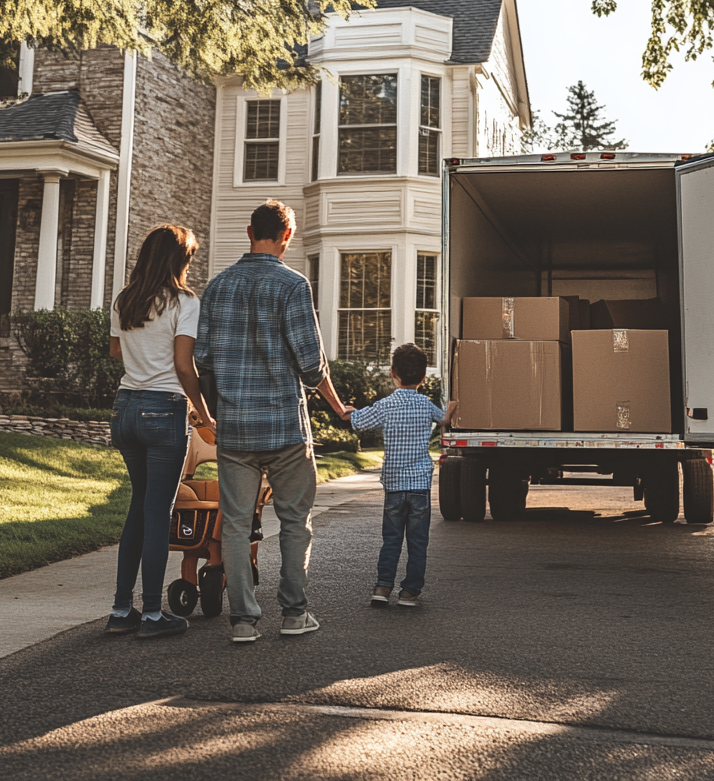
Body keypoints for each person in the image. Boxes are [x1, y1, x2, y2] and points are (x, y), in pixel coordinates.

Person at [196, 200, 352, 643]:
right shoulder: (293, 285)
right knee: (293, 521)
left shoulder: (217, 287)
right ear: (288, 236)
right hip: (285, 427)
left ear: (249, 231)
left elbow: (202, 357)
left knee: (236, 525)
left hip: (235, 430)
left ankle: (243, 620)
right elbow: (310, 364)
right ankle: (293, 614)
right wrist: (339, 407)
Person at [105, 224, 216, 639]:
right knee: (157, 512)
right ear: (179, 259)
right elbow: (185, 367)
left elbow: (117, 351)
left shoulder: (125, 299)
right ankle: (152, 614)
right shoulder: (185, 302)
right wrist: (204, 416)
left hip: (126, 409)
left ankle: (121, 610)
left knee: (138, 507)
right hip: (164, 409)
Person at [344, 343, 456, 608]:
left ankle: (382, 588)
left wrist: (348, 410)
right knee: (418, 542)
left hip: (394, 485)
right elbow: (443, 420)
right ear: (423, 378)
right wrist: (452, 407)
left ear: (393, 373)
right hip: (419, 486)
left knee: (391, 540)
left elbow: (358, 420)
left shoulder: (386, 405)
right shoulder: (426, 405)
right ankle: (410, 592)